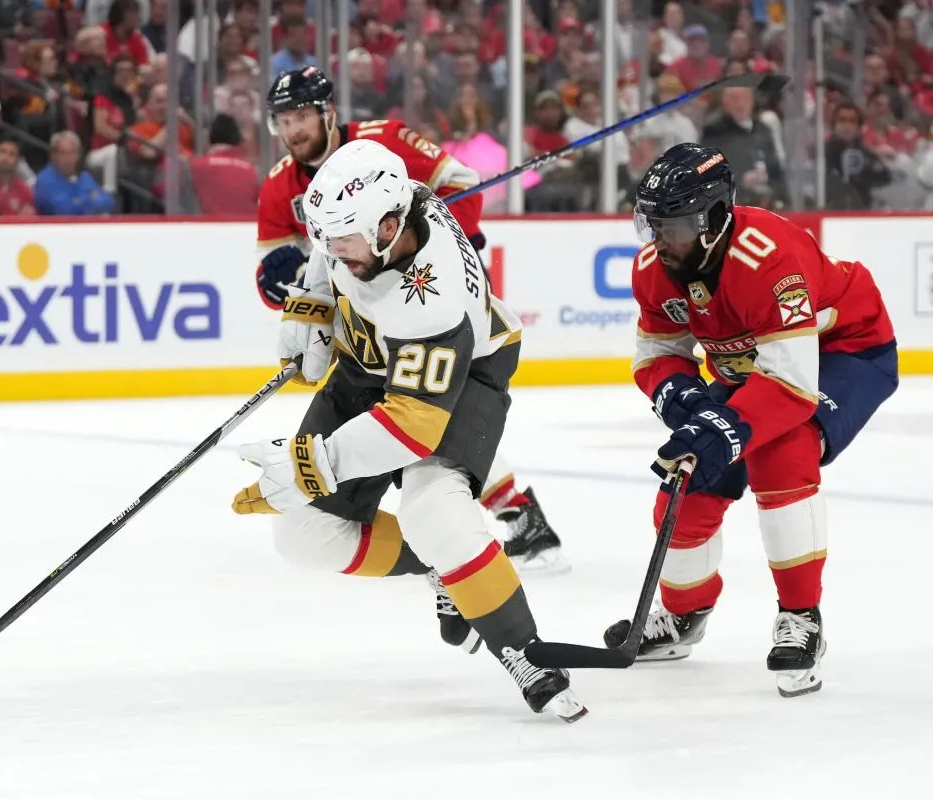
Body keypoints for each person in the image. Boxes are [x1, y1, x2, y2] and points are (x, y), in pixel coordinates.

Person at [232, 139, 587, 723]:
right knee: (302, 532)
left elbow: (413, 424)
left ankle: (524, 649)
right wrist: (315, 303)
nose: (331, 250)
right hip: (370, 362)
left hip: (467, 369)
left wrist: (315, 462)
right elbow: (326, 248)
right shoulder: (385, 211)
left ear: (390, 228)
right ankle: (441, 567)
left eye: (344, 242)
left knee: (433, 511)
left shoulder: (431, 299)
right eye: (330, 239)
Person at [605, 143, 898, 697]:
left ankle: (802, 617)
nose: (658, 239)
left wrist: (725, 425)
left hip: (844, 351)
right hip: (755, 366)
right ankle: (683, 616)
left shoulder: (770, 259)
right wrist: (682, 396)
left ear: (712, 219)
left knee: (780, 452)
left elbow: (790, 384)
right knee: (687, 478)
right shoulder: (654, 269)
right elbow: (656, 354)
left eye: (672, 226)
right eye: (651, 223)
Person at [254, 65, 566, 573]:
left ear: (328, 112)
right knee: (409, 424)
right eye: (283, 121)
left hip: (422, 296)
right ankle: (486, 527)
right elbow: (274, 278)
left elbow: (460, 183)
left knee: (428, 419)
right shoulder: (276, 188)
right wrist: (290, 291)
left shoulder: (386, 140)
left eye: (302, 116)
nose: (293, 131)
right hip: (360, 320)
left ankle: (510, 515)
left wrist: (440, 243)